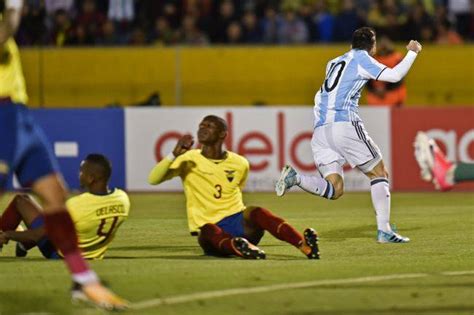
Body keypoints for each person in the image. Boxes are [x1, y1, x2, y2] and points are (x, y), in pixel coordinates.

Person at [0, 1, 127, 310]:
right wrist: (15, 8)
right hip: (2, 114)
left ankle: (84, 282)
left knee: (55, 195)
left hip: (19, 114)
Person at [276, 27, 422, 244]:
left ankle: (295, 178)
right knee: (379, 172)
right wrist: (412, 52)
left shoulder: (333, 62)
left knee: (335, 189)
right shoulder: (363, 59)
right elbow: (394, 76)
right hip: (343, 124)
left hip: (320, 131)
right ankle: (384, 230)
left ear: (351, 44)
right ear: (372, 46)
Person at [148, 115, 320, 260]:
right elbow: (153, 179)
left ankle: (304, 246)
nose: (202, 128)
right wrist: (173, 155)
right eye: (201, 125)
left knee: (257, 212)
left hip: (239, 224)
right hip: (211, 233)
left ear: (222, 134)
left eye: (209, 126)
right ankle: (240, 248)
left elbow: (237, 188)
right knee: (208, 228)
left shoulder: (240, 163)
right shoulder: (187, 159)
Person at [0, 154, 130, 260]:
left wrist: (7, 235)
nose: (79, 174)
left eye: (81, 171)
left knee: (21, 201)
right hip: (93, 255)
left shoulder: (77, 205)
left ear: (91, 178)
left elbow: (37, 235)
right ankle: (23, 245)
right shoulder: (123, 199)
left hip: (60, 255)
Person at [366, 36, 407, 107]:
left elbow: (400, 77)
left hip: (394, 95)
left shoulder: (397, 58)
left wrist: (385, 89)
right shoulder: (371, 59)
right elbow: (366, 77)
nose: (383, 45)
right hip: (375, 96)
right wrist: (375, 90)